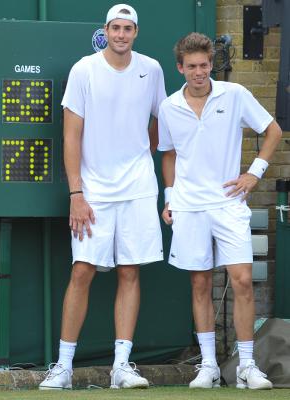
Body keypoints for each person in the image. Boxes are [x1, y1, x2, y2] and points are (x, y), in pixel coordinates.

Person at [39, 4, 166, 390]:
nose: (122, 34)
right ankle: (62, 367)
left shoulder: (152, 69)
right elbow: (71, 136)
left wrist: (141, 156)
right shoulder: (84, 70)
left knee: (130, 271)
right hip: (93, 191)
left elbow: (160, 122)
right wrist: (76, 192)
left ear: (135, 33)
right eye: (116, 28)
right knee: (82, 271)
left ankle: (121, 367)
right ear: (105, 31)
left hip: (138, 188)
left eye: (128, 28)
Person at [158, 32, 281, 390]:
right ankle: (209, 366)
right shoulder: (168, 107)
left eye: (205, 65)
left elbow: (272, 130)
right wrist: (170, 198)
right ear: (181, 68)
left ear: (212, 64)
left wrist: (253, 174)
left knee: (241, 280)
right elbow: (168, 154)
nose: (199, 72)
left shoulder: (235, 95)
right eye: (192, 66)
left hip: (229, 204)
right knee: (199, 283)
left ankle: (246, 366)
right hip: (189, 206)